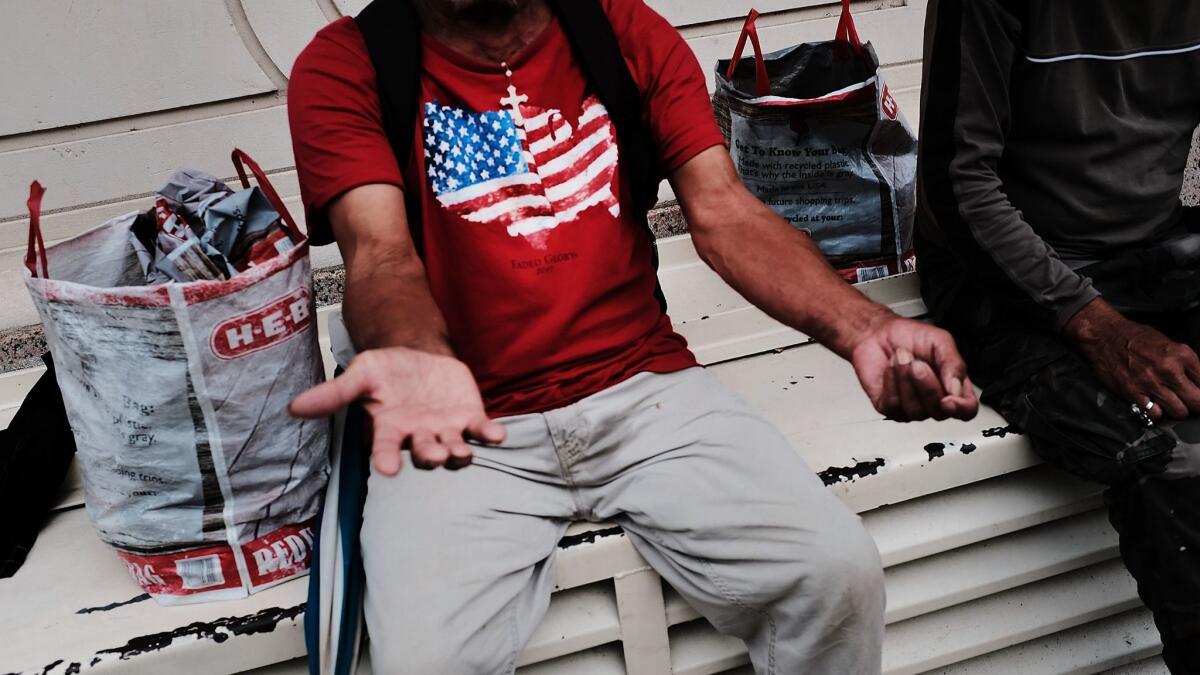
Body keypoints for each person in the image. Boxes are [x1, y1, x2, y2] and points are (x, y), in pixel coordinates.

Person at [287, 0, 978, 672]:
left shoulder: (620, 29)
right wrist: (419, 359)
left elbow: (724, 211)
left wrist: (865, 327)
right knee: (422, 663)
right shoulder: (350, 64)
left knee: (836, 574)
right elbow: (379, 255)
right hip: (465, 424)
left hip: (642, 387)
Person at [916, 1, 1200, 671]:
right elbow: (959, 186)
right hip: (1004, 275)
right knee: (1159, 456)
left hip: (1151, 246)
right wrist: (1098, 327)